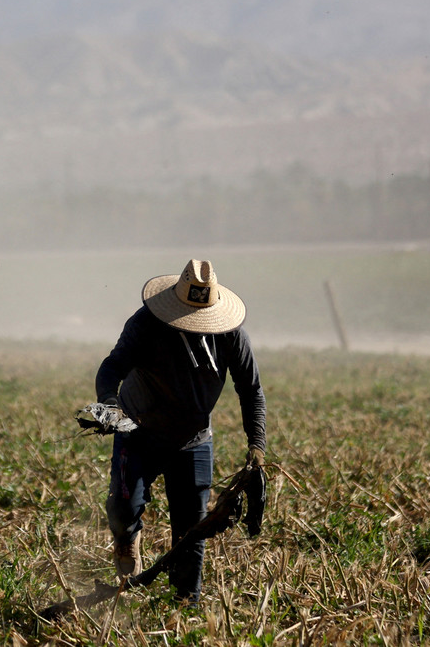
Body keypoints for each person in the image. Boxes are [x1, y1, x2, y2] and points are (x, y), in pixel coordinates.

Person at [95, 259, 266, 604]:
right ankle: (128, 536)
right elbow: (112, 367)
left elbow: (251, 390)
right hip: (137, 430)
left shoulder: (232, 336)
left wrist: (257, 445)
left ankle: (186, 602)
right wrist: (109, 405)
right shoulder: (146, 324)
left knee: (191, 530)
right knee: (123, 506)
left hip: (193, 440)